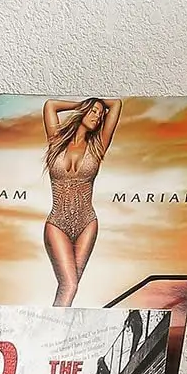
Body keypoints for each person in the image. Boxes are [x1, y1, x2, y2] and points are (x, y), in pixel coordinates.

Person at [41, 97, 123, 306]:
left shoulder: (98, 146)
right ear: (84, 111)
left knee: (71, 286)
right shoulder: (56, 141)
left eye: (100, 115)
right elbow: (50, 105)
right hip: (57, 223)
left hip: (87, 223)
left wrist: (94, 106)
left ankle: (56, 323)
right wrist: (84, 104)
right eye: (93, 111)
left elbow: (116, 104)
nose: (97, 117)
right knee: (69, 285)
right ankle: (51, 325)